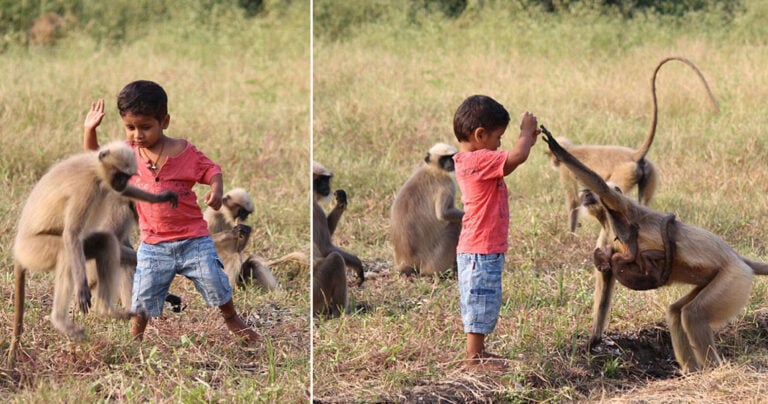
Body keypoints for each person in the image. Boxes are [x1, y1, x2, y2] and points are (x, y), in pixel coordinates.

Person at [83, 80, 259, 343]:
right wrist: (89, 130)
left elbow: (212, 170)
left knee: (216, 282)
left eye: (145, 127)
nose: (137, 135)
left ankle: (233, 319)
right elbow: (96, 157)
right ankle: (136, 339)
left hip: (194, 239)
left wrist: (217, 190)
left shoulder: (184, 152)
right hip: (154, 244)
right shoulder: (128, 153)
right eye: (130, 128)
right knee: (142, 296)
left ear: (164, 121)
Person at [452, 94, 539, 371]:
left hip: (480, 247)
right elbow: (518, 156)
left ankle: (478, 353)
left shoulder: (473, 161)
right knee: (480, 299)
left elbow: (510, 163)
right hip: (481, 248)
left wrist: (526, 142)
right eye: (498, 137)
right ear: (480, 135)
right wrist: (525, 132)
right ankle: (474, 357)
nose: (500, 143)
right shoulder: (477, 161)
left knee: (482, 298)